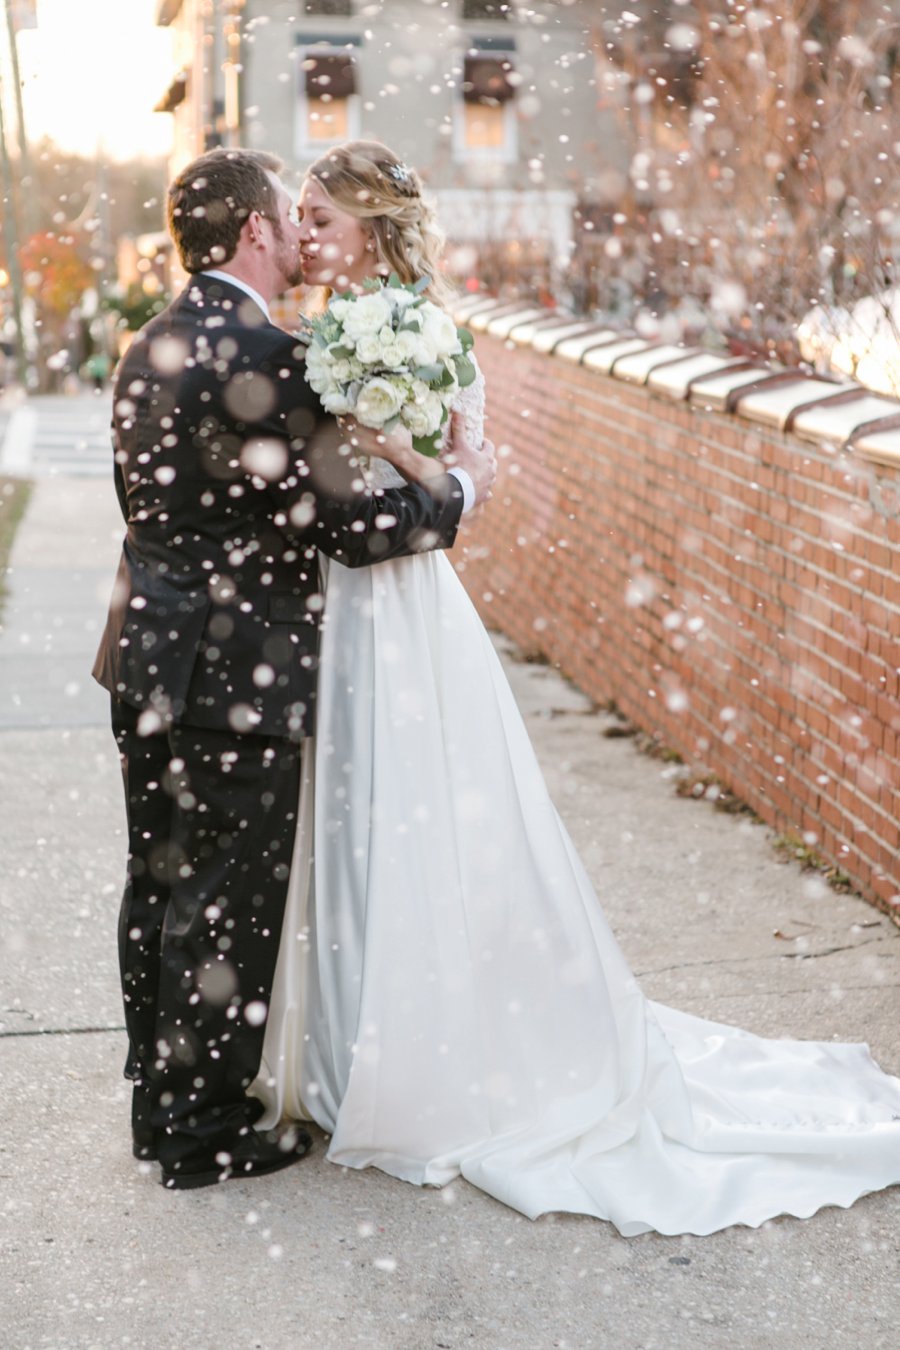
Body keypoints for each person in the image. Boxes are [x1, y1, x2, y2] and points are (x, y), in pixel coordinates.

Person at [252, 140, 900, 1237]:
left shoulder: (426, 333)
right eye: (300, 216)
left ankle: (435, 1060)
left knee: (424, 814)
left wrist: (399, 458)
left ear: (369, 225)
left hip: (405, 607)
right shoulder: (311, 338)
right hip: (333, 602)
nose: (305, 232)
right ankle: (352, 1047)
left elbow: (475, 473)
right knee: (352, 809)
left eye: (319, 215)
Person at [92, 146, 496, 1191]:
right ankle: (204, 1129)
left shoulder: (148, 344)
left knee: (160, 877)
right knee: (226, 895)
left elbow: (154, 505)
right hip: (235, 671)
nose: (299, 228)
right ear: (256, 232)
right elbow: (357, 528)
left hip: (143, 657)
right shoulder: (268, 357)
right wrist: (453, 493)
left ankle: (159, 1095)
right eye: (288, 212)